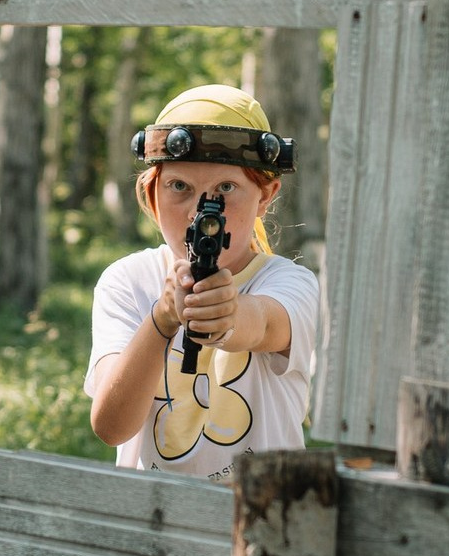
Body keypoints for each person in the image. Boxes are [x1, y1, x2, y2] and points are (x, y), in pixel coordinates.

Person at [85, 84, 319, 482]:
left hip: (261, 518)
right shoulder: (127, 281)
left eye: (225, 189)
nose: (201, 211)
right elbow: (111, 426)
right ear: (151, 193)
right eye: (180, 187)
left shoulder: (289, 282)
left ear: (266, 196)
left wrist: (226, 315)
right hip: (152, 520)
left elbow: (263, 323)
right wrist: (162, 319)